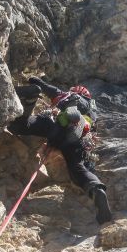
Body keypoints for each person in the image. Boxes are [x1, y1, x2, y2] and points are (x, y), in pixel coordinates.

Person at [7, 76, 112, 224]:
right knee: (78, 168)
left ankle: (30, 99)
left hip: (53, 126)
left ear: (76, 91)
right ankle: (96, 189)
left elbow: (48, 88)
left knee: (20, 126)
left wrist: (35, 81)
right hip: (76, 139)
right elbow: (90, 131)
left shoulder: (68, 95)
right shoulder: (92, 113)